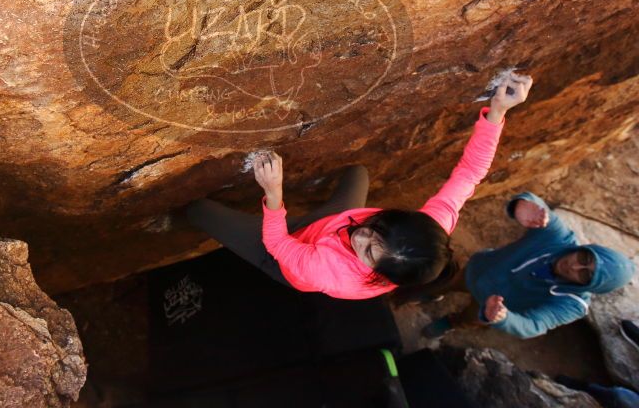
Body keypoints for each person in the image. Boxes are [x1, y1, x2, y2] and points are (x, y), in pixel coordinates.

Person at [186, 73, 533, 300]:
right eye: (378, 231)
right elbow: (470, 173)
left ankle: (180, 215)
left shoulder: (329, 273)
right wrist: (498, 112)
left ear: (379, 273)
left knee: (199, 210)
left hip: (285, 254)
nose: (362, 239)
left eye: (369, 252)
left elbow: (277, 243)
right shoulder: (430, 231)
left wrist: (274, 193)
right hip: (337, 222)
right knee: (358, 173)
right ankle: (333, 203)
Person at [422, 192, 636, 338]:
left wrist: (503, 318)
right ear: (586, 249)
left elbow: (535, 325)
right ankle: (433, 293)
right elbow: (538, 207)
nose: (574, 267)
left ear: (587, 287)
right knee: (448, 282)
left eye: (585, 275)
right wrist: (523, 205)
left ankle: (451, 323)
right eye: (584, 259)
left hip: (491, 306)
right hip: (478, 270)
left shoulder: (573, 305)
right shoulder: (558, 238)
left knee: (470, 318)